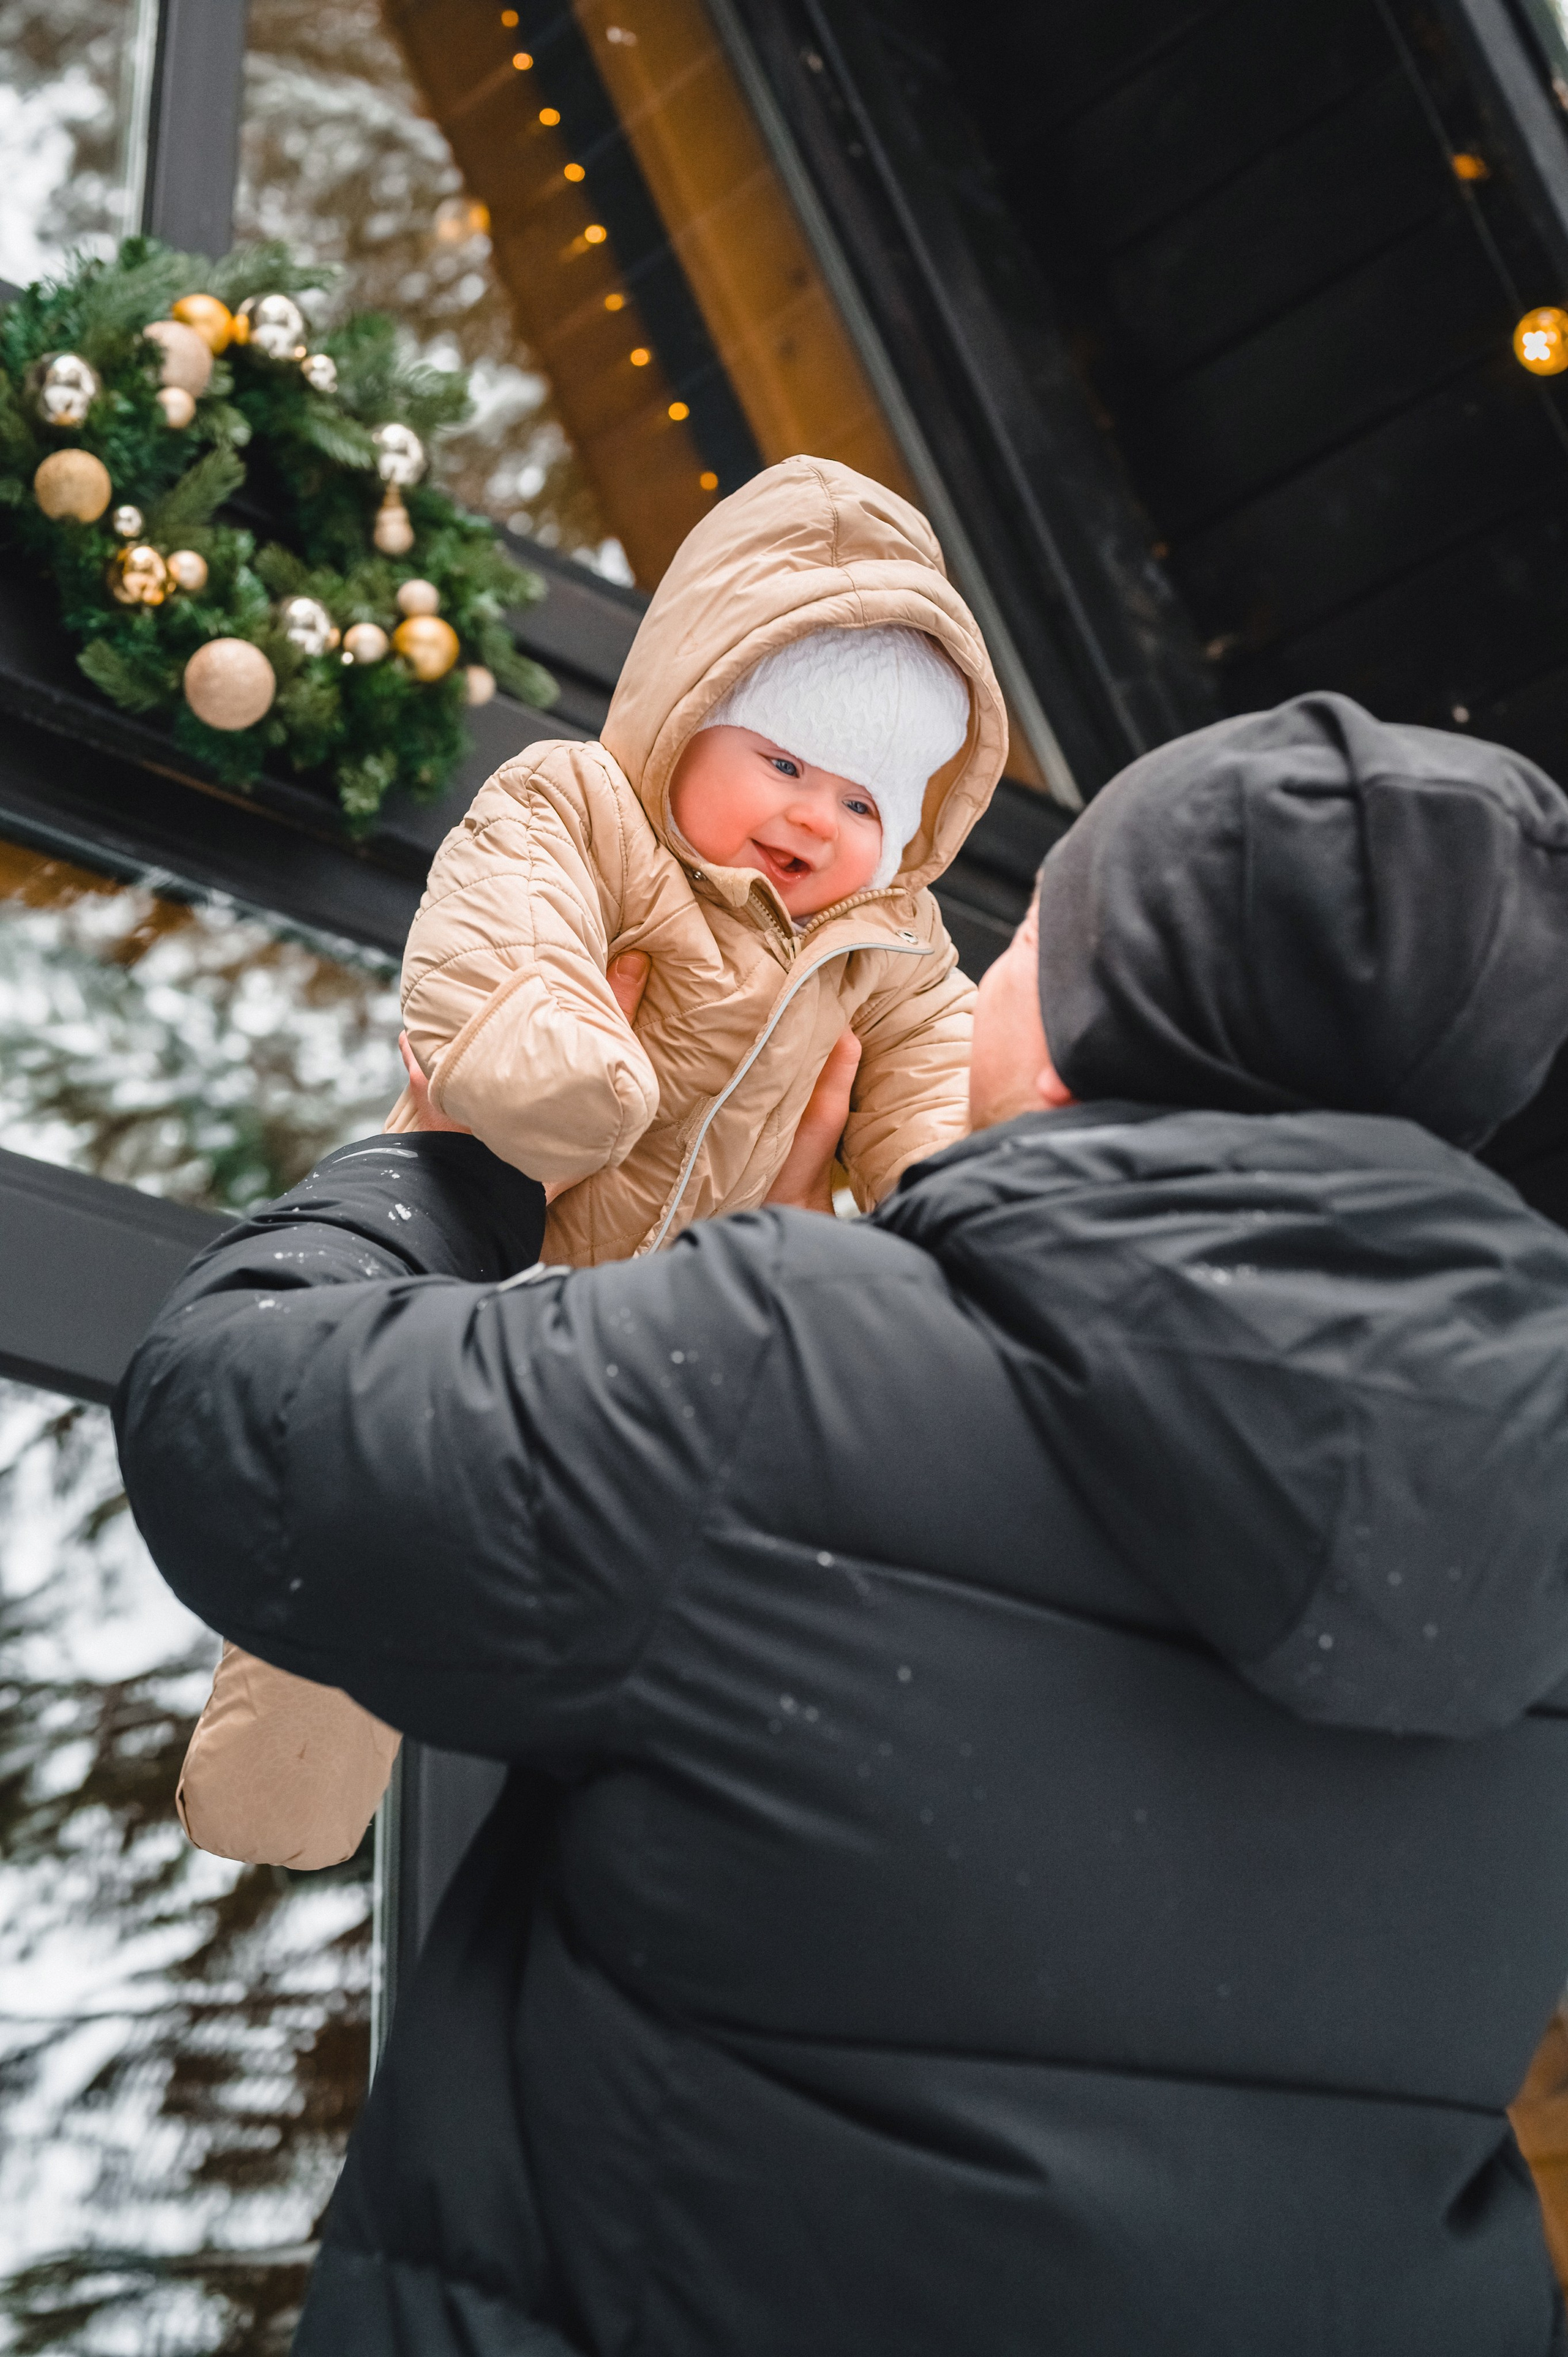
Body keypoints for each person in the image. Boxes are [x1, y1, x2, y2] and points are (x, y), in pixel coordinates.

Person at [117, 691, 1568, 2355]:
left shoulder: (785, 1369)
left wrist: (453, 1167)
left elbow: (232, 1420)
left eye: (1032, 932)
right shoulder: (1529, 1544)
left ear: (1080, 1023)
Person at [172, 451, 1006, 1874]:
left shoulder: (888, 947)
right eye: (783, 762)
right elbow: (505, 929)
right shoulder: (583, 807)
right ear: (690, 711)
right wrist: (554, 1059)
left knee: (624, 1614)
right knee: (373, 1497)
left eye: (866, 803)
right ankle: (277, 1799)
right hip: (489, 1236)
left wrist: (950, 1208)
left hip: (662, 1336)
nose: (814, 816)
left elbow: (935, 1089)